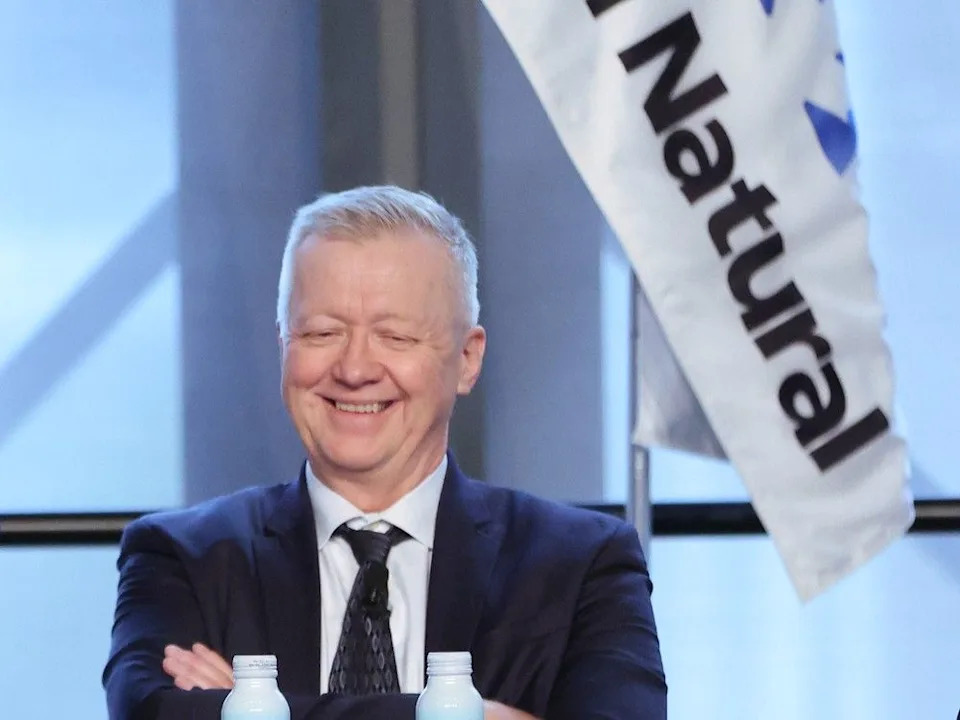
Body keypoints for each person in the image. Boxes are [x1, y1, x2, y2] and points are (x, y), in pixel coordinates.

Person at [103, 186, 666, 720]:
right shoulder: (181, 557)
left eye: (395, 337)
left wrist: (250, 709)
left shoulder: (582, 565)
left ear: (467, 359)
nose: (353, 370)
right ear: (284, 348)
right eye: (322, 333)